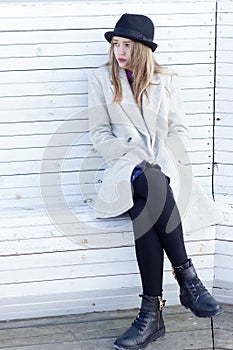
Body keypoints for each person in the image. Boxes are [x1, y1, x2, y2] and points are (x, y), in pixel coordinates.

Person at [88, 13, 223, 350]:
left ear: (143, 48)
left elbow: (180, 131)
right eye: (116, 44)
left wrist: (160, 158)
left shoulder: (168, 81)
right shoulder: (101, 80)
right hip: (124, 167)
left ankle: (151, 315)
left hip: (162, 169)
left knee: (148, 203)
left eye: (127, 44)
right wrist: (131, 151)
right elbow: (99, 134)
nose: (119, 50)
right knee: (148, 182)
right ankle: (188, 277)